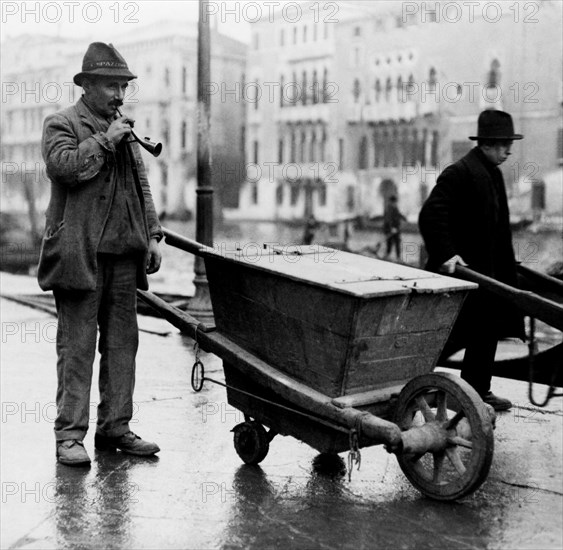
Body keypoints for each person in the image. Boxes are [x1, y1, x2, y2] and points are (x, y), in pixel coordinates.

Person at [38, 42, 163, 465]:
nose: (118, 95)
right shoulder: (62, 123)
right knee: (77, 347)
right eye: (111, 86)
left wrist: (153, 233)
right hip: (79, 255)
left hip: (124, 255)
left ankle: (116, 427)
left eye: (123, 87)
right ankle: (69, 435)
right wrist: (106, 142)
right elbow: (65, 169)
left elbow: (140, 184)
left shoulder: (121, 126)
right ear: (87, 85)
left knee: (123, 344)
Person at [419, 110, 525, 411]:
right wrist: (446, 254)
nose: (508, 150)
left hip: (486, 272)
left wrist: (507, 263)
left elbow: (497, 225)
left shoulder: (493, 173)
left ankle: (478, 391)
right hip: (460, 274)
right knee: (450, 334)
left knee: (485, 330)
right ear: (487, 143)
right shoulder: (460, 172)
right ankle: (409, 382)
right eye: (504, 144)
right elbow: (431, 215)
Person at [383, 195, 406, 260]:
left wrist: (404, 218)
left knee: (397, 243)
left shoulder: (395, 208)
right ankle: (387, 256)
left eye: (395, 202)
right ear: (391, 202)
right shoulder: (389, 209)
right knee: (389, 243)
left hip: (396, 229)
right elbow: (388, 219)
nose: (395, 203)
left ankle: (398, 257)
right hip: (391, 229)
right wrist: (391, 228)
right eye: (394, 202)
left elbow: (398, 215)